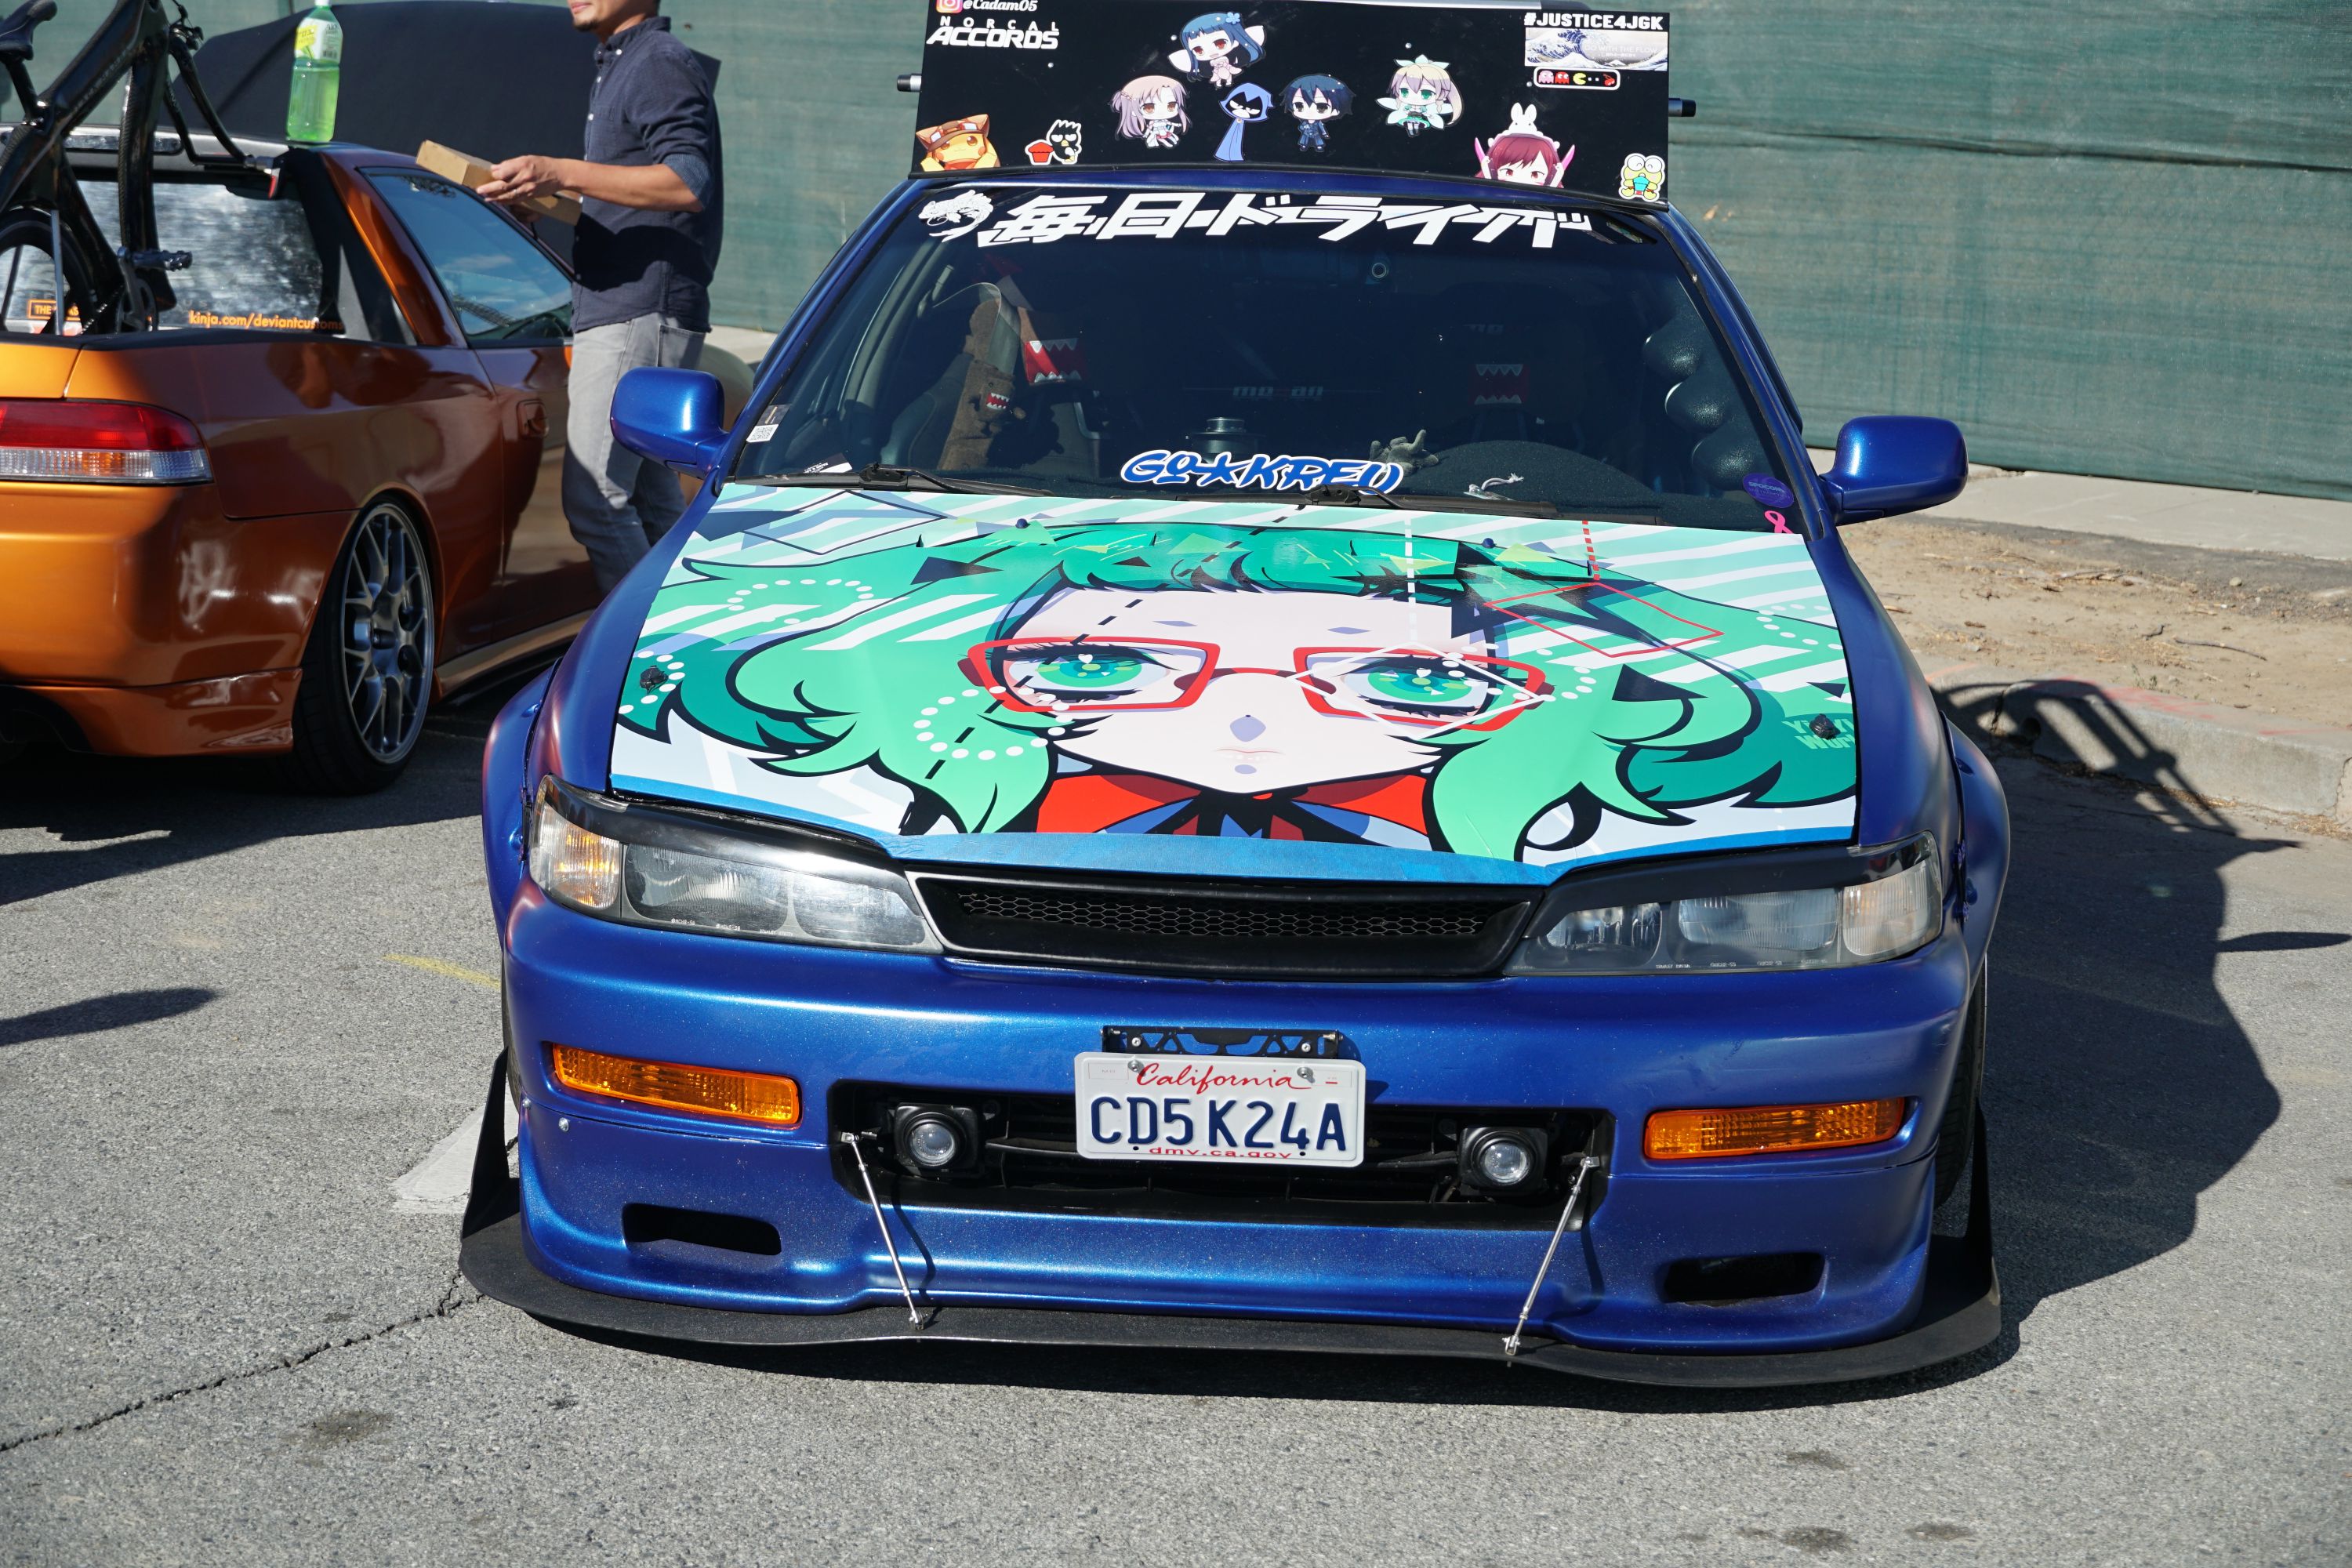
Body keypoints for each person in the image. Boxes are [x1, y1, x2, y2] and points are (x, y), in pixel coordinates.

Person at [478, 0, 724, 593]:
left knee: (597, 500)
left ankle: (640, 642)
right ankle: (693, 630)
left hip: (639, 311)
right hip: (627, 309)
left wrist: (560, 172)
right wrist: (549, 202)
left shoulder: (657, 61)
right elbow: (632, 193)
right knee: (650, 500)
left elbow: (687, 181)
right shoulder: (622, 63)